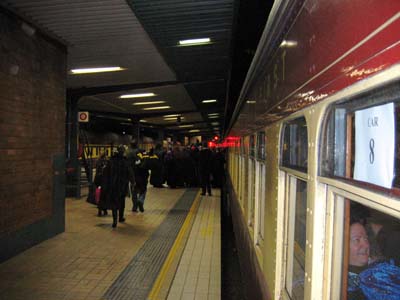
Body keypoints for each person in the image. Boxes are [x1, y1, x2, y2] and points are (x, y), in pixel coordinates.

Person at [99, 145, 134, 228]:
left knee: (114, 203)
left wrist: (105, 183)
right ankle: (120, 217)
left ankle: (114, 221)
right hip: (122, 185)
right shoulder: (125, 161)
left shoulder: (111, 160)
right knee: (122, 202)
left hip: (113, 185)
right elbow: (130, 172)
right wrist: (133, 181)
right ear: (123, 152)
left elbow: (106, 173)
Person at [94, 152, 108, 217]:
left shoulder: (97, 162)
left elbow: (97, 172)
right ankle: (104, 210)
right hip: (104, 181)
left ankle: (100, 211)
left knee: (99, 195)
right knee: (104, 196)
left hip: (98, 181)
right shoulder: (105, 162)